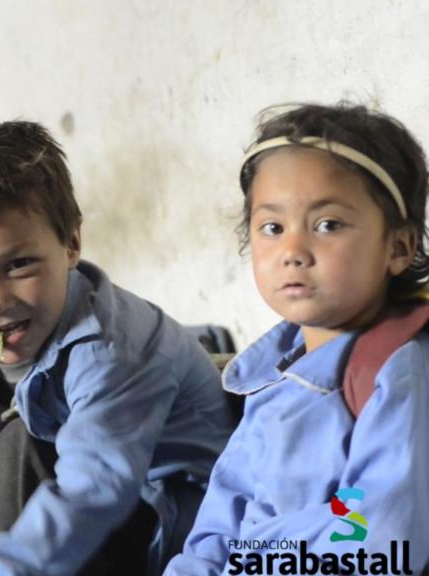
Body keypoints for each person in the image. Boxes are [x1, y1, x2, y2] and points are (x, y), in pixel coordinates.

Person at [0, 119, 235, 576]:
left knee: (23, 440)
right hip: (57, 530)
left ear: (70, 244)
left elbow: (92, 493)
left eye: (19, 264)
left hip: (155, 529)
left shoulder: (115, 350)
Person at [164, 104, 429, 575]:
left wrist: (254, 556)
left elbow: (379, 537)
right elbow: (220, 522)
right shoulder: (267, 380)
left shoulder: (395, 370)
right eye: (272, 228)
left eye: (327, 224)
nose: (293, 252)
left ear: (399, 247)